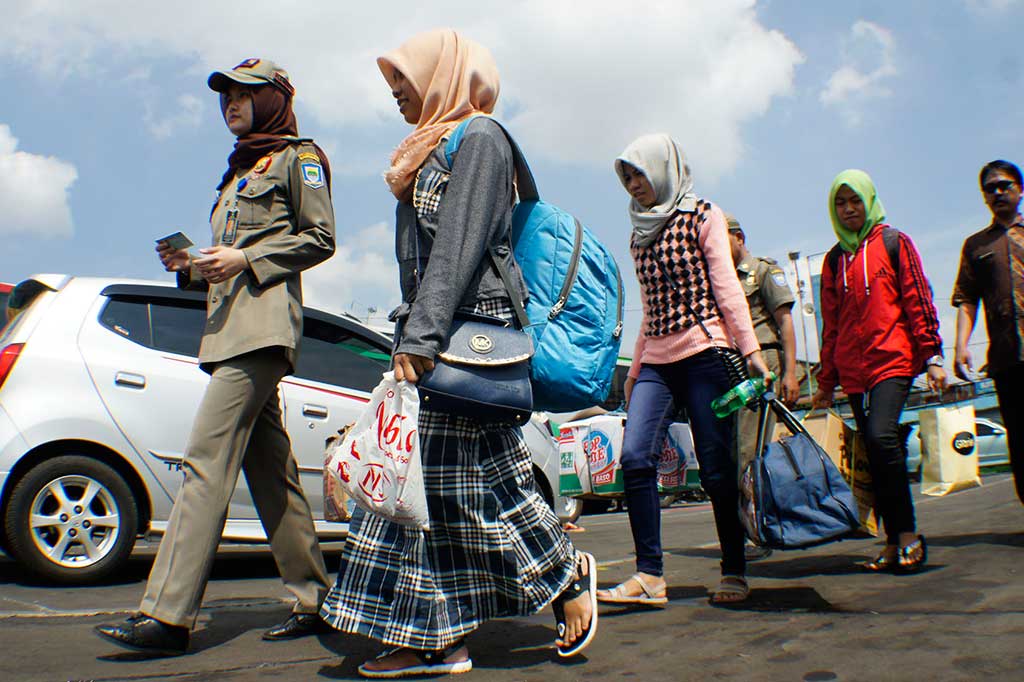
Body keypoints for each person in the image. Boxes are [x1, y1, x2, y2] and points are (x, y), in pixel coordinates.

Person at [319, 29, 596, 678]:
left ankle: (440, 638)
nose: (395, 92)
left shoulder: (480, 138)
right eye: (392, 83)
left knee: (428, 485)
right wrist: (411, 332)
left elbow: (460, 244)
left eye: (404, 79)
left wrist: (420, 338)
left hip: (468, 333)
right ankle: (546, 583)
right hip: (440, 331)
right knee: (460, 485)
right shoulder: (428, 150)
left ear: (442, 73)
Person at [95, 58, 335, 655]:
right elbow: (229, 263)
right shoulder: (236, 175)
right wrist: (194, 267)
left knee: (204, 464)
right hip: (228, 333)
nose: (230, 102)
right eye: (225, 95)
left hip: (260, 334)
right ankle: (317, 600)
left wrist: (246, 259)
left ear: (274, 99)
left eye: (244, 94)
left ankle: (167, 615)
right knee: (272, 474)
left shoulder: (298, 159)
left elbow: (320, 238)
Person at [596, 134, 771, 607]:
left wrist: (751, 350)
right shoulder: (638, 234)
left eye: (639, 173)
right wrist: (635, 372)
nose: (634, 184)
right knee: (635, 457)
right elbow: (650, 309)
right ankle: (649, 575)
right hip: (657, 359)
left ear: (662, 168)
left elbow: (726, 288)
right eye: (626, 177)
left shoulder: (703, 215)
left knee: (715, 468)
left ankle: (733, 568)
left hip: (705, 352)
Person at [812, 169, 946, 573]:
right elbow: (831, 326)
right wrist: (825, 383)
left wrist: (933, 357)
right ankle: (890, 542)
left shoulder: (894, 243)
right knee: (873, 453)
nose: (849, 209)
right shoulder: (834, 260)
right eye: (841, 203)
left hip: (893, 361)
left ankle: (907, 535)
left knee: (881, 437)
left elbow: (918, 298)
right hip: (855, 373)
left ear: (869, 201)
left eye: (856, 200)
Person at [725, 213, 800, 561]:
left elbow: (785, 321)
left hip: (762, 363)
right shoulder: (720, 278)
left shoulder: (763, 271)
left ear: (739, 237)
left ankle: (756, 532)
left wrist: (790, 372)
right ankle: (748, 529)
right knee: (732, 452)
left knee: (748, 450)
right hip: (733, 365)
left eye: (722, 237)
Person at [952, 159, 1024, 506]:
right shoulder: (976, 246)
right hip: (1007, 360)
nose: (997, 192)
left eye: (1004, 185)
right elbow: (966, 299)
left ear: (1020, 190)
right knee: (1019, 440)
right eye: (990, 188)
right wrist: (961, 346)